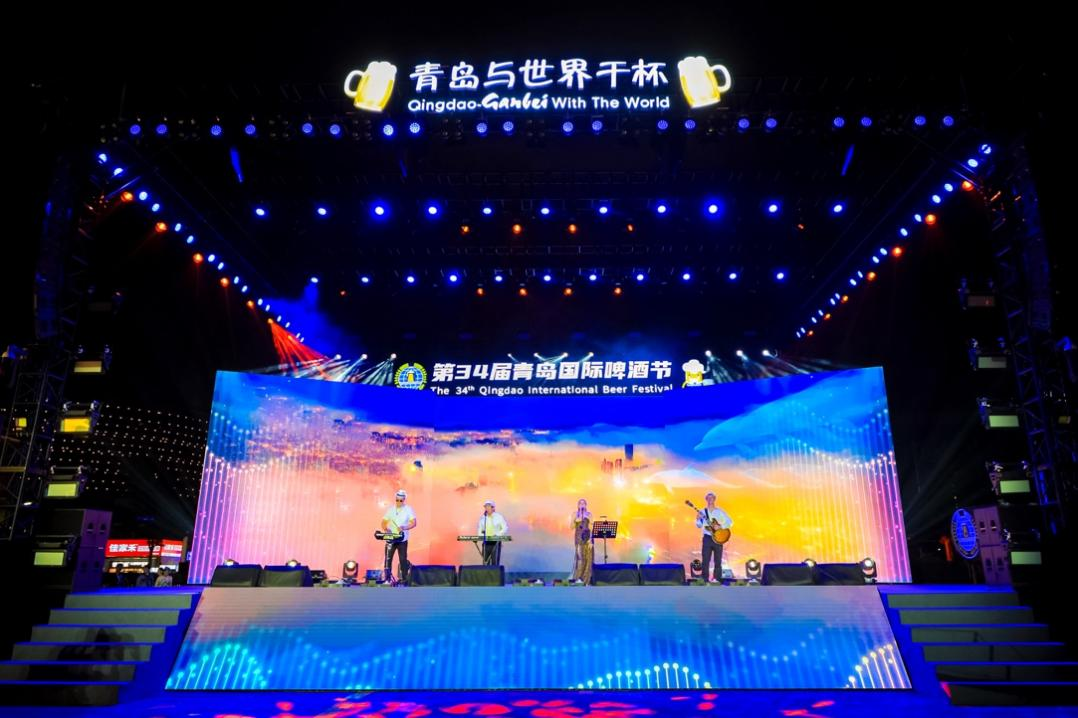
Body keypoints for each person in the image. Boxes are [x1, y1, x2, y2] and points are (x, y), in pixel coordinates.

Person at [695, 491, 733, 583]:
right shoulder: (702, 511)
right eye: (708, 498)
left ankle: (717, 579)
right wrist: (698, 519)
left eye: (712, 497)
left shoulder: (719, 511)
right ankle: (705, 579)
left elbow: (730, 522)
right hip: (707, 538)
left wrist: (720, 526)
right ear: (706, 499)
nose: (710, 499)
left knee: (718, 560)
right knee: (705, 560)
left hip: (718, 538)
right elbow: (699, 525)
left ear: (715, 499)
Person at [382, 489, 417, 583]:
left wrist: (404, 527)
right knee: (388, 559)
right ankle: (387, 579)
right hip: (391, 539)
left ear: (404, 500)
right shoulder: (391, 509)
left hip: (402, 539)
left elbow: (414, 523)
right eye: (397, 500)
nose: (398, 502)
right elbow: (383, 522)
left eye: (401, 500)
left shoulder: (408, 509)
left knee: (403, 560)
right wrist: (386, 529)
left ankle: (404, 579)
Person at [477, 500, 509, 566]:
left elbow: (505, 528)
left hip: (495, 542)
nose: (487, 508)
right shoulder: (483, 518)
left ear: (493, 508)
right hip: (486, 542)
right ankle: (486, 572)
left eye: (488, 506)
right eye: (485, 507)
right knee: (485, 562)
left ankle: (495, 572)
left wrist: (497, 535)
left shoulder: (499, 517)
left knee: (495, 562)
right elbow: (480, 530)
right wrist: (482, 536)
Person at [570, 499, 594, 584]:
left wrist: (591, 540)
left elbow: (592, 528)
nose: (582, 504)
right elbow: (571, 527)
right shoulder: (575, 514)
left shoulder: (589, 514)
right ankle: (578, 579)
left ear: (586, 505)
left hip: (587, 538)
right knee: (580, 558)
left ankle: (586, 580)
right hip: (578, 538)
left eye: (583, 503)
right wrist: (575, 519)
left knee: (588, 559)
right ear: (578, 505)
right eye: (580, 503)